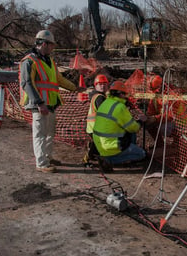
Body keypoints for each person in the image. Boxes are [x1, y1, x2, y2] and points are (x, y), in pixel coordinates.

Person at [19, 30, 84, 173]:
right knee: (40, 134)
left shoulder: (49, 61)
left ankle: (47, 157)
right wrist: (39, 103)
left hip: (51, 103)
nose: (53, 48)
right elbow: (27, 83)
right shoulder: (29, 61)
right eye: (51, 45)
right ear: (43, 44)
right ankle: (41, 163)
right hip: (40, 104)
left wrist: (74, 88)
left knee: (49, 133)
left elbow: (58, 80)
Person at [93, 80, 147, 172]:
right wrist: (141, 121)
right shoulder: (120, 107)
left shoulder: (106, 102)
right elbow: (134, 128)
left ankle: (107, 157)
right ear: (121, 94)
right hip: (112, 145)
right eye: (125, 94)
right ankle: (109, 160)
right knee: (142, 154)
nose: (126, 97)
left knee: (129, 135)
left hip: (99, 144)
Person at [82, 74, 109, 168]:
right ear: (95, 85)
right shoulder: (99, 97)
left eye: (104, 84)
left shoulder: (97, 96)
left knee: (97, 144)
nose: (102, 86)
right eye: (100, 84)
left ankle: (90, 158)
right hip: (96, 127)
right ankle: (89, 159)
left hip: (93, 127)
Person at [146, 75, 174, 147]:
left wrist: (155, 118)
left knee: (163, 128)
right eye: (155, 89)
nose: (157, 91)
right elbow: (151, 110)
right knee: (148, 124)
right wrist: (148, 117)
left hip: (176, 122)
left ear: (162, 85)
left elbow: (171, 115)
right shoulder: (155, 96)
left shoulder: (171, 95)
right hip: (163, 119)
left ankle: (176, 144)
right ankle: (160, 144)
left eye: (158, 88)